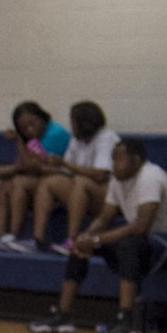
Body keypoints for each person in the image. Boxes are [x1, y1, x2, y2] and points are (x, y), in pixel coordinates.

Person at [29, 138, 167, 333]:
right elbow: (103, 217)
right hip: (147, 242)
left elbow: (140, 226)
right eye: (112, 160)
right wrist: (87, 236)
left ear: (136, 161)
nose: (114, 166)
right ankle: (62, 315)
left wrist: (97, 240)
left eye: (119, 160)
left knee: (130, 243)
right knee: (79, 246)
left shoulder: (150, 176)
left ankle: (126, 320)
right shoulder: (117, 181)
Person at [0, 100, 72, 253]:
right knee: (2, 184)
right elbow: (22, 165)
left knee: (19, 183)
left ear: (42, 117)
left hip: (59, 182)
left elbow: (30, 167)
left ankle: (14, 236)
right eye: (24, 128)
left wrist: (18, 139)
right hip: (40, 178)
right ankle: (0, 236)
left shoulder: (55, 133)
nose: (30, 130)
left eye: (32, 123)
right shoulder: (34, 138)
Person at [30, 99, 118, 253]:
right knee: (49, 182)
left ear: (84, 123)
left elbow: (101, 174)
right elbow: (67, 172)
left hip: (108, 197)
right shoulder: (75, 140)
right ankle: (37, 239)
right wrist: (46, 165)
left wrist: (64, 164)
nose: (71, 126)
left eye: (73, 121)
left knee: (82, 182)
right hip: (83, 192)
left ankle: (72, 239)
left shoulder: (106, 137)